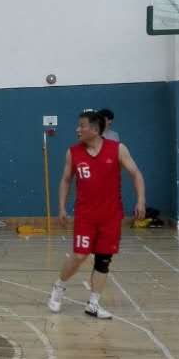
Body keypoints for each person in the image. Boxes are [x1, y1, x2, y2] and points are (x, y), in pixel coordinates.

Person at [48, 111, 146, 319]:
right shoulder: (73, 153)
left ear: (94, 129)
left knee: (103, 260)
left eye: (81, 126)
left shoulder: (118, 149)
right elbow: (66, 180)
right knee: (79, 255)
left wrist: (141, 200)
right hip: (85, 216)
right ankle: (59, 286)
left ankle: (93, 304)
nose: (77, 129)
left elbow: (136, 173)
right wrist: (62, 207)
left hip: (111, 216)